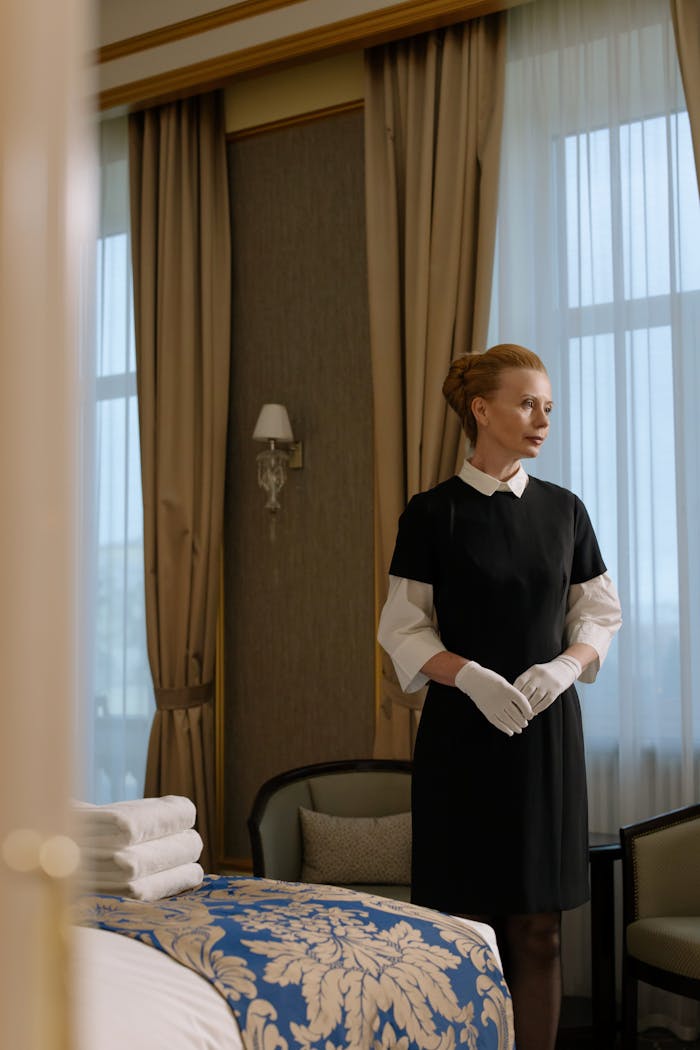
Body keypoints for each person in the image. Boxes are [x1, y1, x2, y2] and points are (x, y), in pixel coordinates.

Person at [378, 344, 622, 1050]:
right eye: (527, 403)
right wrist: (471, 677)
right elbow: (402, 627)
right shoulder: (432, 515)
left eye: (548, 406)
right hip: (461, 739)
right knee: (462, 930)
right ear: (481, 410)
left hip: (545, 738)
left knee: (540, 931)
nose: (542, 418)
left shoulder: (565, 512)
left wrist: (566, 668)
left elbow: (600, 615)